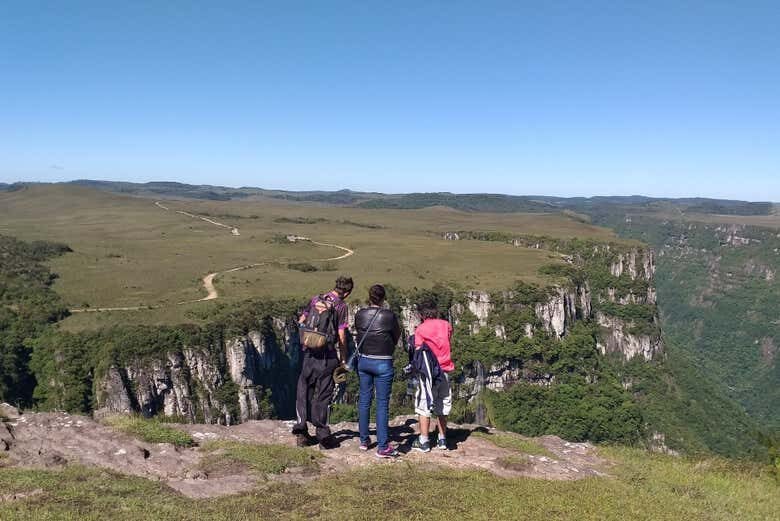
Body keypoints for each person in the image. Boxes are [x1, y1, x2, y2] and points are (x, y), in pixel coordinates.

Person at [292, 275, 353, 449]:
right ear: (347, 292)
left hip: (309, 354)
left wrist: (308, 341)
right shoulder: (340, 306)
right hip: (327, 357)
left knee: (303, 390)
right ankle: (323, 436)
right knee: (323, 394)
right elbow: (341, 335)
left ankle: (302, 433)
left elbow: (302, 320)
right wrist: (343, 359)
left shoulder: (315, 299)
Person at [354, 284, 402, 458]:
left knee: (364, 400)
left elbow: (358, 333)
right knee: (382, 404)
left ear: (369, 297)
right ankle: (382, 447)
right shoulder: (389, 316)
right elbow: (397, 336)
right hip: (383, 362)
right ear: (383, 298)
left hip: (364, 360)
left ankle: (364, 440)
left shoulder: (360, 314)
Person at [410, 299, 454, 452]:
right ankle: (442, 440)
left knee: (425, 404)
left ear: (422, 315)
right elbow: (448, 340)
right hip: (445, 370)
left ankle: (424, 441)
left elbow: (418, 351)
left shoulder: (421, 329)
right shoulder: (446, 325)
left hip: (428, 373)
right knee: (442, 403)